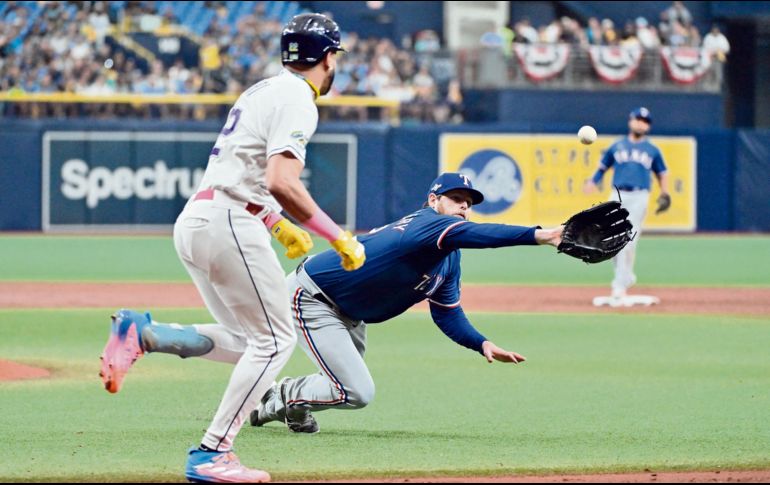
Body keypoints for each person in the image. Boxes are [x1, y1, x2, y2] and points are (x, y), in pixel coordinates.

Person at [98, 13, 366, 483]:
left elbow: (241, 174)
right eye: (335, 58)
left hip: (200, 218)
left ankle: (146, 334)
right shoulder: (299, 99)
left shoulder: (261, 90)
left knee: (248, 341)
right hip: (229, 223)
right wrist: (336, 235)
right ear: (328, 57)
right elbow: (281, 181)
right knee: (277, 341)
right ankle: (211, 453)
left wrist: (277, 224)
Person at [249, 172, 564, 433]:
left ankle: (287, 405)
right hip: (313, 297)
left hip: (349, 311)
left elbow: (447, 314)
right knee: (356, 391)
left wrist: (481, 343)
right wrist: (542, 235)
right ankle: (284, 395)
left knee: (340, 383)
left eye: (468, 203)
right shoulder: (426, 224)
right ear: (433, 201)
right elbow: (484, 235)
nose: (463, 206)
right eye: (456, 198)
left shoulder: (449, 259)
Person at [583, 107, 670, 303]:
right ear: (630, 121)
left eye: (645, 121)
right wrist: (592, 181)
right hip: (617, 194)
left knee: (627, 240)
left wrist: (665, 193)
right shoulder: (617, 146)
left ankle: (619, 285)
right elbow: (602, 167)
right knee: (612, 239)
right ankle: (625, 277)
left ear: (648, 126)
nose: (641, 123)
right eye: (638, 119)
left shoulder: (652, 150)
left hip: (639, 196)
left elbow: (662, 173)